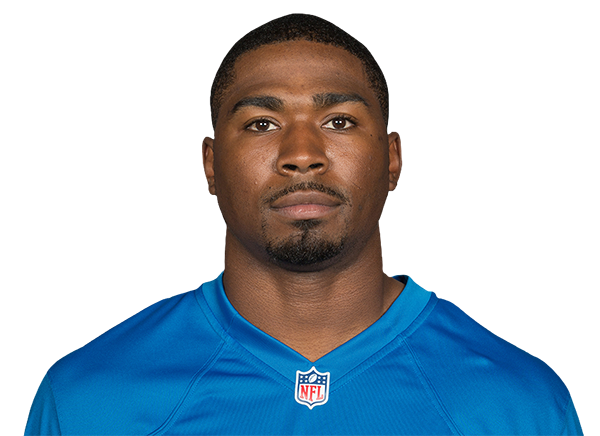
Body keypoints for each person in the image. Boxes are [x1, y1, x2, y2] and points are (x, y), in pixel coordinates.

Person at [25, 14, 579, 435]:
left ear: (392, 159)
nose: (302, 154)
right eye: (262, 123)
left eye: (338, 120)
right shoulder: (86, 403)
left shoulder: (522, 408)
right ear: (211, 163)